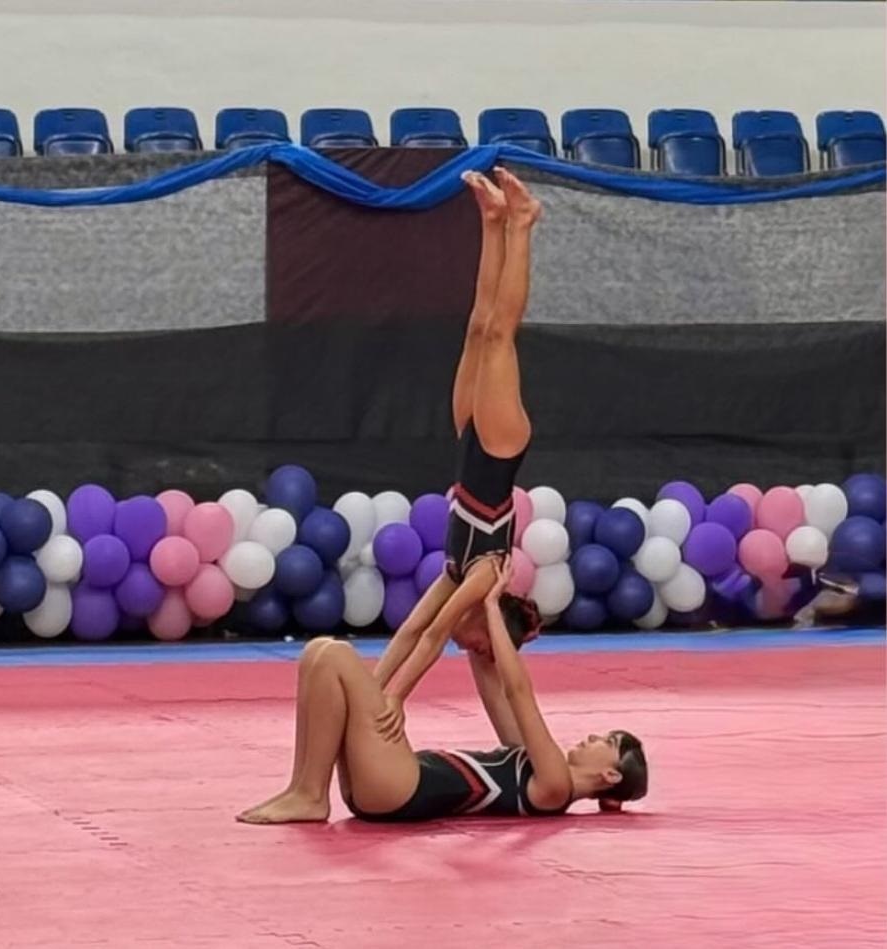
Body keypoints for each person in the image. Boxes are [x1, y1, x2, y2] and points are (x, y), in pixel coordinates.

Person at [237, 557, 648, 824]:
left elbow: (518, 691)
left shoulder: (555, 785)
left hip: (403, 787)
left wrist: (491, 606)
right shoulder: (535, 761)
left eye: (607, 741)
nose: (593, 736)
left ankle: (311, 795)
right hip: (389, 783)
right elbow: (490, 677)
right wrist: (470, 573)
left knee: (336, 656)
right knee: (318, 653)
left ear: (610, 774)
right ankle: (301, 787)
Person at [371, 166, 544, 742]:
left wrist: (375, 692)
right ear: (492, 635)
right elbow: (432, 635)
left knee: (477, 330)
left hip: (471, 438)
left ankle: (493, 222)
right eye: (475, 646)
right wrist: (392, 699)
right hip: (498, 448)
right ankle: (522, 223)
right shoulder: (485, 574)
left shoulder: (456, 574)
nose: (464, 647)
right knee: (497, 336)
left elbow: (414, 629)